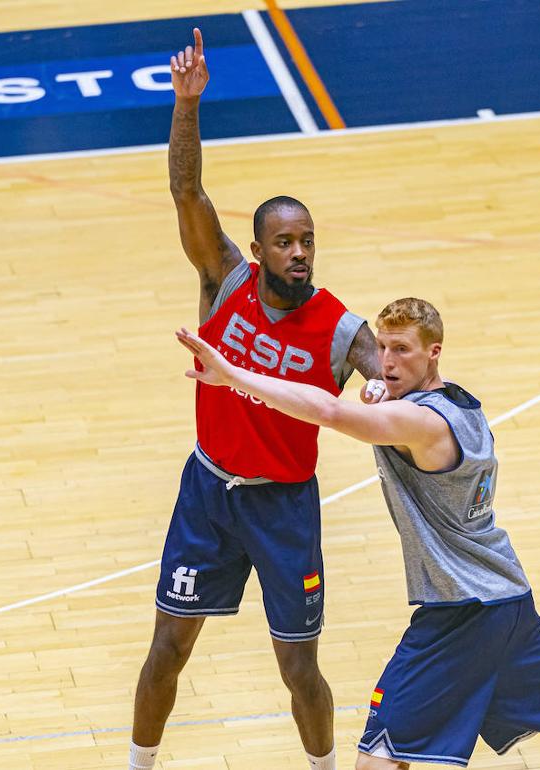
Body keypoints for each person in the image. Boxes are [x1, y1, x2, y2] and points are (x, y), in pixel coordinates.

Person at [174, 298, 540, 770]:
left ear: (434, 352)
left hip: (461, 609)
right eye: (383, 348)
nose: (387, 361)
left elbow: (328, 411)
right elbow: (378, 405)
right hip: (506, 600)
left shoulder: (423, 423)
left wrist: (235, 376)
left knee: (379, 754)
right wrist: (385, 397)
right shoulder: (460, 403)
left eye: (403, 350)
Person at [128, 28, 383, 770]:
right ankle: (139, 765)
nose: (300, 252)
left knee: (299, 668)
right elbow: (186, 190)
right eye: (286, 241)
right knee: (166, 649)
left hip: (283, 508)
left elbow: (384, 369)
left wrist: (386, 380)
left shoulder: (339, 326)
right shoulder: (224, 281)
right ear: (259, 248)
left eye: (308, 240)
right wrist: (187, 105)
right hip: (207, 491)